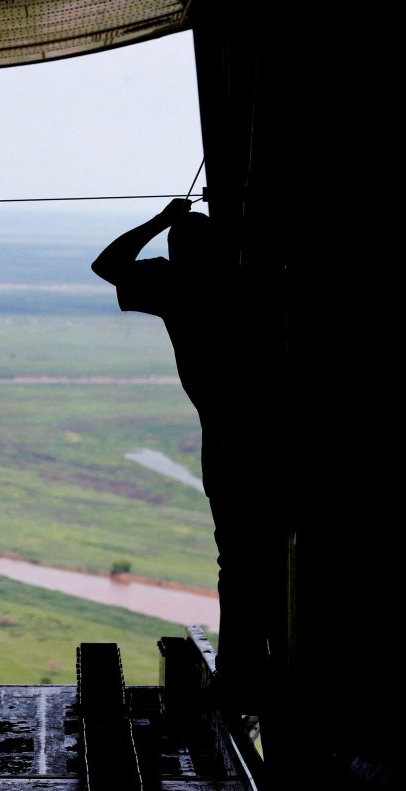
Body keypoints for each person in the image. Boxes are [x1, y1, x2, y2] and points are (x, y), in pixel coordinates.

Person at [90, 198, 283, 722]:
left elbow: (107, 264)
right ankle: (272, 672)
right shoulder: (248, 284)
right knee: (269, 560)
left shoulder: (176, 289)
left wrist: (163, 219)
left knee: (239, 560)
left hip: (228, 441)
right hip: (278, 438)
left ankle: (244, 677)